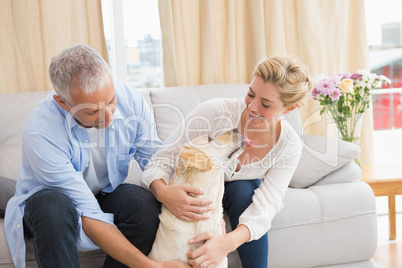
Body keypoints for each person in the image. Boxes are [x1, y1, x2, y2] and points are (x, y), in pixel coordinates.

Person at [4, 44, 189, 268]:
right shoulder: (41, 133)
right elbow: (88, 213)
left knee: (144, 203)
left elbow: (157, 163)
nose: (108, 118)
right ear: (62, 103)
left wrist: (171, 193)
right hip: (50, 201)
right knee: (52, 206)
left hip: (103, 192)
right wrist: (151, 267)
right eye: (92, 112)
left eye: (111, 101)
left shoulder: (132, 101)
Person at [142, 56, 313, 268]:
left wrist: (227, 243)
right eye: (250, 94)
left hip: (236, 197)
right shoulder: (214, 113)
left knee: (243, 189)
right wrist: (163, 192)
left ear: (289, 109)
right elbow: (159, 162)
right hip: (198, 194)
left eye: (266, 104)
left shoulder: (289, 145)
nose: (252, 107)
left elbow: (268, 203)